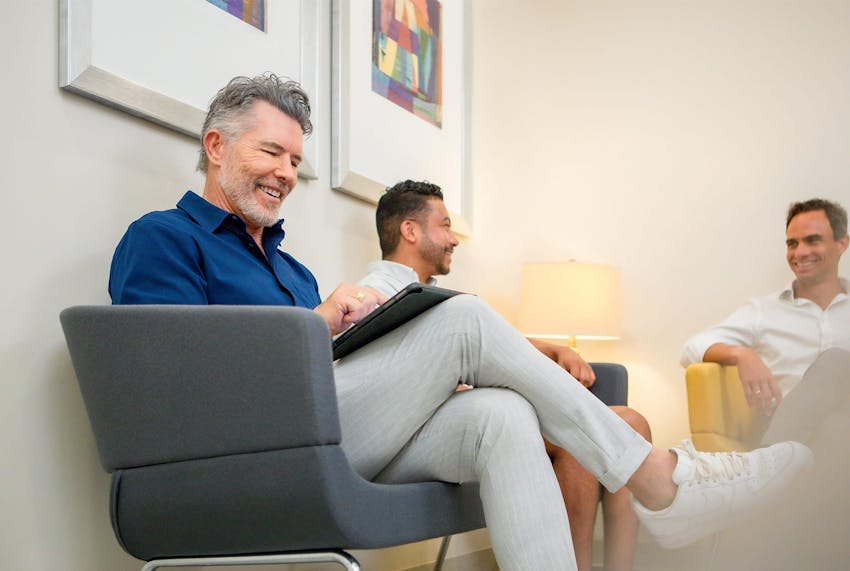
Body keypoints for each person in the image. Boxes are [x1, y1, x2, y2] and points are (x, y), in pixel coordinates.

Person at [109, 73, 812, 571]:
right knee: (463, 320)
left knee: (500, 415)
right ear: (215, 146)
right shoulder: (163, 238)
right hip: (253, 449)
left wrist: (346, 333)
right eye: (270, 151)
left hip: (328, 429)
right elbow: (173, 392)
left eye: (295, 159)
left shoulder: (289, 269)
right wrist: (318, 325)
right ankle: (659, 481)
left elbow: (317, 366)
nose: (287, 172)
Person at [357, 179, 652, 571]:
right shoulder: (372, 296)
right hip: (430, 432)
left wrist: (554, 348)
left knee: (633, 422)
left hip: (479, 410)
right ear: (410, 230)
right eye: (445, 225)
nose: (454, 239)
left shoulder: (433, 296)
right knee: (574, 442)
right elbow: (389, 387)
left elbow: (497, 343)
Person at [681, 198, 849, 447]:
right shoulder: (764, 311)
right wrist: (740, 353)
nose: (800, 252)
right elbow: (691, 349)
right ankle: (772, 460)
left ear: (842, 243)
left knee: (837, 420)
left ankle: (766, 470)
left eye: (813, 240)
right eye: (792, 243)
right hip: (786, 432)